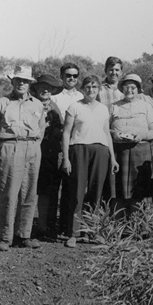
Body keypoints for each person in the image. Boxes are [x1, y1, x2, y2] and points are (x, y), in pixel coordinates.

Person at [0, 66, 47, 251]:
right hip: (10, 147)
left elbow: (41, 128)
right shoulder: (2, 102)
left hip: (32, 148)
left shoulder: (37, 104)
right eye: (18, 80)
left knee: (29, 193)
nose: (22, 83)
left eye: (25, 81)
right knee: (8, 193)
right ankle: (5, 237)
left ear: (30, 84)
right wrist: (7, 147)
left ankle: (24, 235)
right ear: (12, 81)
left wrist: (33, 146)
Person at [61, 75, 119, 248]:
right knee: (78, 191)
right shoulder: (75, 107)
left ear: (99, 89)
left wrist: (113, 158)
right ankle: (74, 233)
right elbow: (66, 133)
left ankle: (92, 231)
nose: (91, 90)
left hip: (100, 151)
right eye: (88, 87)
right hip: (79, 150)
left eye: (94, 87)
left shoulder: (103, 109)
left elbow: (107, 133)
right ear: (83, 88)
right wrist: (66, 158)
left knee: (96, 192)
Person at [108, 74, 153, 215]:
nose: (129, 90)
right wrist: (113, 133)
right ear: (121, 88)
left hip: (141, 150)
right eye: (126, 86)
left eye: (133, 87)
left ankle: (137, 225)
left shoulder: (146, 106)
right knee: (118, 190)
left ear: (138, 89)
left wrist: (142, 135)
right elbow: (104, 129)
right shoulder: (113, 107)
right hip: (119, 151)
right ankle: (117, 225)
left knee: (139, 191)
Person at [31, 73, 65, 239]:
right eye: (42, 87)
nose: (45, 90)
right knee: (30, 190)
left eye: (49, 87)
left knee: (48, 191)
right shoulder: (31, 105)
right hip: (32, 152)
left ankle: (46, 227)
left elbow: (60, 131)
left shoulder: (54, 107)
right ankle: (26, 226)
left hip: (50, 155)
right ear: (36, 89)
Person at [52, 62, 82, 235]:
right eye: (68, 75)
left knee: (71, 186)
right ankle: (50, 225)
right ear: (62, 76)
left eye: (75, 76)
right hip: (56, 145)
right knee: (55, 185)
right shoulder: (56, 97)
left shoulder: (81, 96)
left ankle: (66, 225)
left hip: (75, 145)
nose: (71, 78)